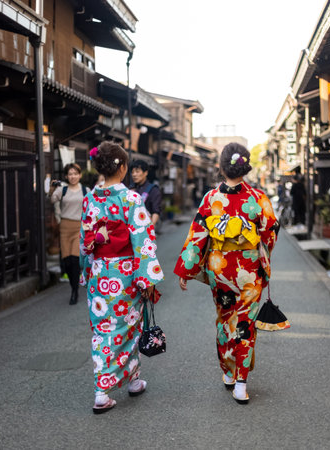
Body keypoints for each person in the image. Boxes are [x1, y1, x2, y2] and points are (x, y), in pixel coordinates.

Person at [174, 143, 279, 405]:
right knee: (245, 322)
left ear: (221, 167)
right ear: (245, 166)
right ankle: (241, 383)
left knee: (224, 318)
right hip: (249, 271)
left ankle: (228, 373)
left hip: (220, 269)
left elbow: (197, 235)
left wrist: (186, 270)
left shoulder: (211, 199)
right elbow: (270, 233)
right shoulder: (258, 198)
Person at [80, 142, 164, 414]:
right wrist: (147, 278)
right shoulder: (130, 199)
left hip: (99, 273)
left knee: (104, 329)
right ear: (124, 168)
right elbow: (143, 240)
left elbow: (85, 242)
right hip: (125, 274)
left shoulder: (90, 199)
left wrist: (87, 272)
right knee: (127, 327)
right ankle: (103, 391)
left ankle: (130, 380)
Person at [49, 163, 89, 305]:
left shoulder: (86, 190)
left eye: (75, 173)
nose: (73, 176)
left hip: (80, 227)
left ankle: (74, 291)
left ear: (80, 175)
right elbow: (52, 199)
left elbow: (92, 208)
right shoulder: (62, 190)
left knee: (74, 260)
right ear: (66, 176)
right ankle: (74, 286)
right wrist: (52, 188)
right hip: (65, 227)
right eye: (70, 174)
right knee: (66, 262)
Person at [130, 159, 162, 226]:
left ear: (145, 173)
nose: (134, 174)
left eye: (137, 171)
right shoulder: (130, 189)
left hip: (145, 227)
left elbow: (156, 211)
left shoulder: (153, 190)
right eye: (132, 172)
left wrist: (151, 228)